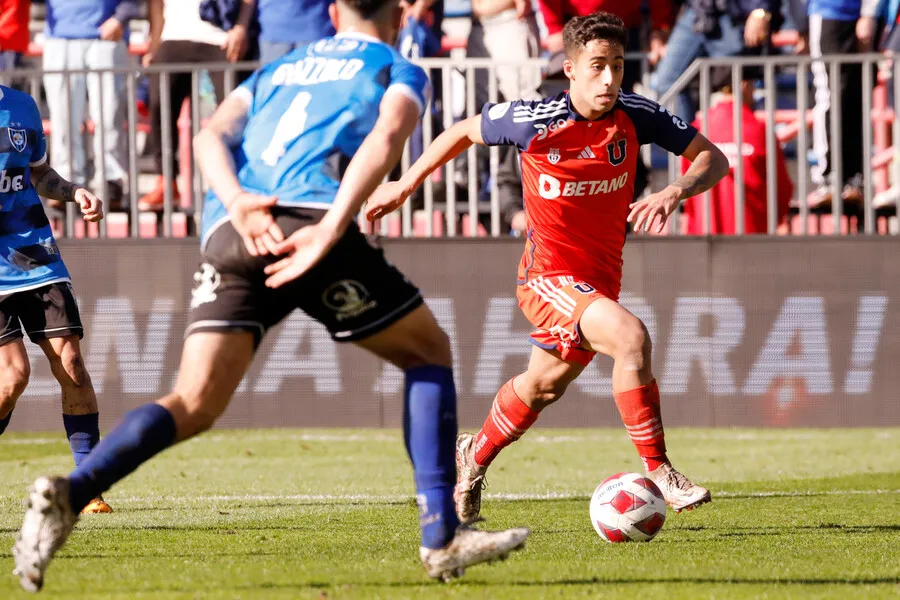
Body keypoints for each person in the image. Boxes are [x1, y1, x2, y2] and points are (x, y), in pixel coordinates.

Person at [12, 0, 529, 591]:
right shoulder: (397, 66)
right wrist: (335, 226)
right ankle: (441, 537)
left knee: (194, 401)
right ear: (400, 9)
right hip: (308, 220)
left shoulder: (280, 67)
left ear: (333, 11)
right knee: (427, 353)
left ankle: (71, 495)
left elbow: (209, 137)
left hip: (234, 227)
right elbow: (388, 135)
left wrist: (235, 203)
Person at [366, 12, 729, 522]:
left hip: (599, 280)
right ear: (571, 69)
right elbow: (463, 132)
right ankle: (661, 470)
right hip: (548, 278)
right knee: (630, 338)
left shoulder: (637, 116)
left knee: (542, 386)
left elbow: (712, 158)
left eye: (618, 66)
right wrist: (406, 184)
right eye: (598, 66)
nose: (609, 79)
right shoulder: (533, 120)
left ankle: (472, 454)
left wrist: (675, 189)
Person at [0, 85, 109, 515]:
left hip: (35, 255)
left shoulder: (22, 105)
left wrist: (74, 191)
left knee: (72, 365)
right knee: (12, 379)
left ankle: (88, 488)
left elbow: (39, 175)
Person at [138, 0, 255, 211]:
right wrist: (154, 42)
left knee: (234, 109)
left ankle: (236, 180)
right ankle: (166, 181)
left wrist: (241, 27)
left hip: (220, 37)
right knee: (158, 103)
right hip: (174, 37)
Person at [42, 0, 138, 211]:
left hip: (107, 34)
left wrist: (120, 17)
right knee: (62, 117)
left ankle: (111, 180)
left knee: (109, 114)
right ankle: (66, 181)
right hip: (60, 36)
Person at [682, 65, 794, 234]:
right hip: (752, 239)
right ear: (744, 85)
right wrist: (772, 222)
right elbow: (782, 188)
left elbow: (686, 189)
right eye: (754, 84)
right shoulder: (759, 129)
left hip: (704, 240)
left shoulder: (697, 130)